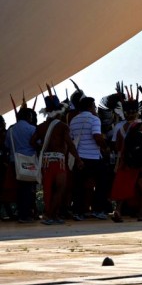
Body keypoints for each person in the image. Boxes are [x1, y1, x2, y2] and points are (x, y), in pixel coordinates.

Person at [30, 93, 83, 224]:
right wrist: (78, 159)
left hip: (46, 162)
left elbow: (32, 142)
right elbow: (70, 145)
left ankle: (52, 215)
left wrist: (42, 148)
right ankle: (50, 215)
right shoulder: (62, 126)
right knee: (60, 188)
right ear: (60, 110)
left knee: (48, 189)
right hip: (58, 161)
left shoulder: (41, 126)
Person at [110, 99, 142, 222]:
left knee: (123, 188)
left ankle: (118, 210)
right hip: (140, 163)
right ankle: (141, 214)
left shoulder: (120, 129)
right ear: (137, 112)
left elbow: (117, 147)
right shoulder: (141, 126)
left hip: (125, 163)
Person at [69, 97, 109, 221]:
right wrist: (105, 146)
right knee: (102, 183)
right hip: (93, 158)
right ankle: (98, 210)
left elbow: (71, 140)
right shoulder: (94, 119)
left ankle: (78, 212)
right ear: (91, 106)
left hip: (79, 158)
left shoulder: (74, 120)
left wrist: (77, 158)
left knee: (79, 186)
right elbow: (96, 136)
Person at [5, 107, 37, 223]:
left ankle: (20, 213)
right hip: (29, 161)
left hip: (14, 162)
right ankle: (26, 215)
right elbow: (37, 143)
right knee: (28, 189)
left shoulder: (11, 130)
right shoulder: (32, 128)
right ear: (29, 117)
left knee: (18, 188)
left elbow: (7, 145)